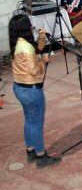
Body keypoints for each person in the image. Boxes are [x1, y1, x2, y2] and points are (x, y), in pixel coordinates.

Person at [8, 14, 60, 168]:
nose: (32, 27)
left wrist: (42, 36)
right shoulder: (25, 47)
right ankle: (41, 156)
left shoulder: (19, 43)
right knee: (36, 123)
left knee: (29, 121)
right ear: (24, 28)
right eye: (29, 25)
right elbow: (33, 70)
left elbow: (36, 49)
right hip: (31, 90)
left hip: (20, 87)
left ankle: (30, 150)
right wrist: (43, 60)